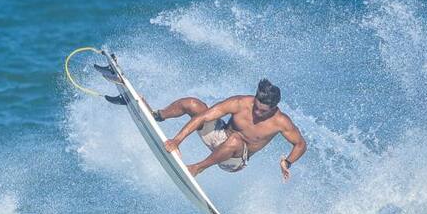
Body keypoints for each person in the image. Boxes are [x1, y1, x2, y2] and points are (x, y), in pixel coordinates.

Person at [101, 71, 307, 179]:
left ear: (274, 108)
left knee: (236, 140)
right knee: (193, 104)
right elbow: (203, 117)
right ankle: (157, 115)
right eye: (256, 107)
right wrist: (176, 140)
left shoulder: (281, 122)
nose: (257, 112)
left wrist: (287, 162)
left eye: (263, 111)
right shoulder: (240, 103)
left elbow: (300, 144)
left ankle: (197, 169)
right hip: (219, 139)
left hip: (234, 161)